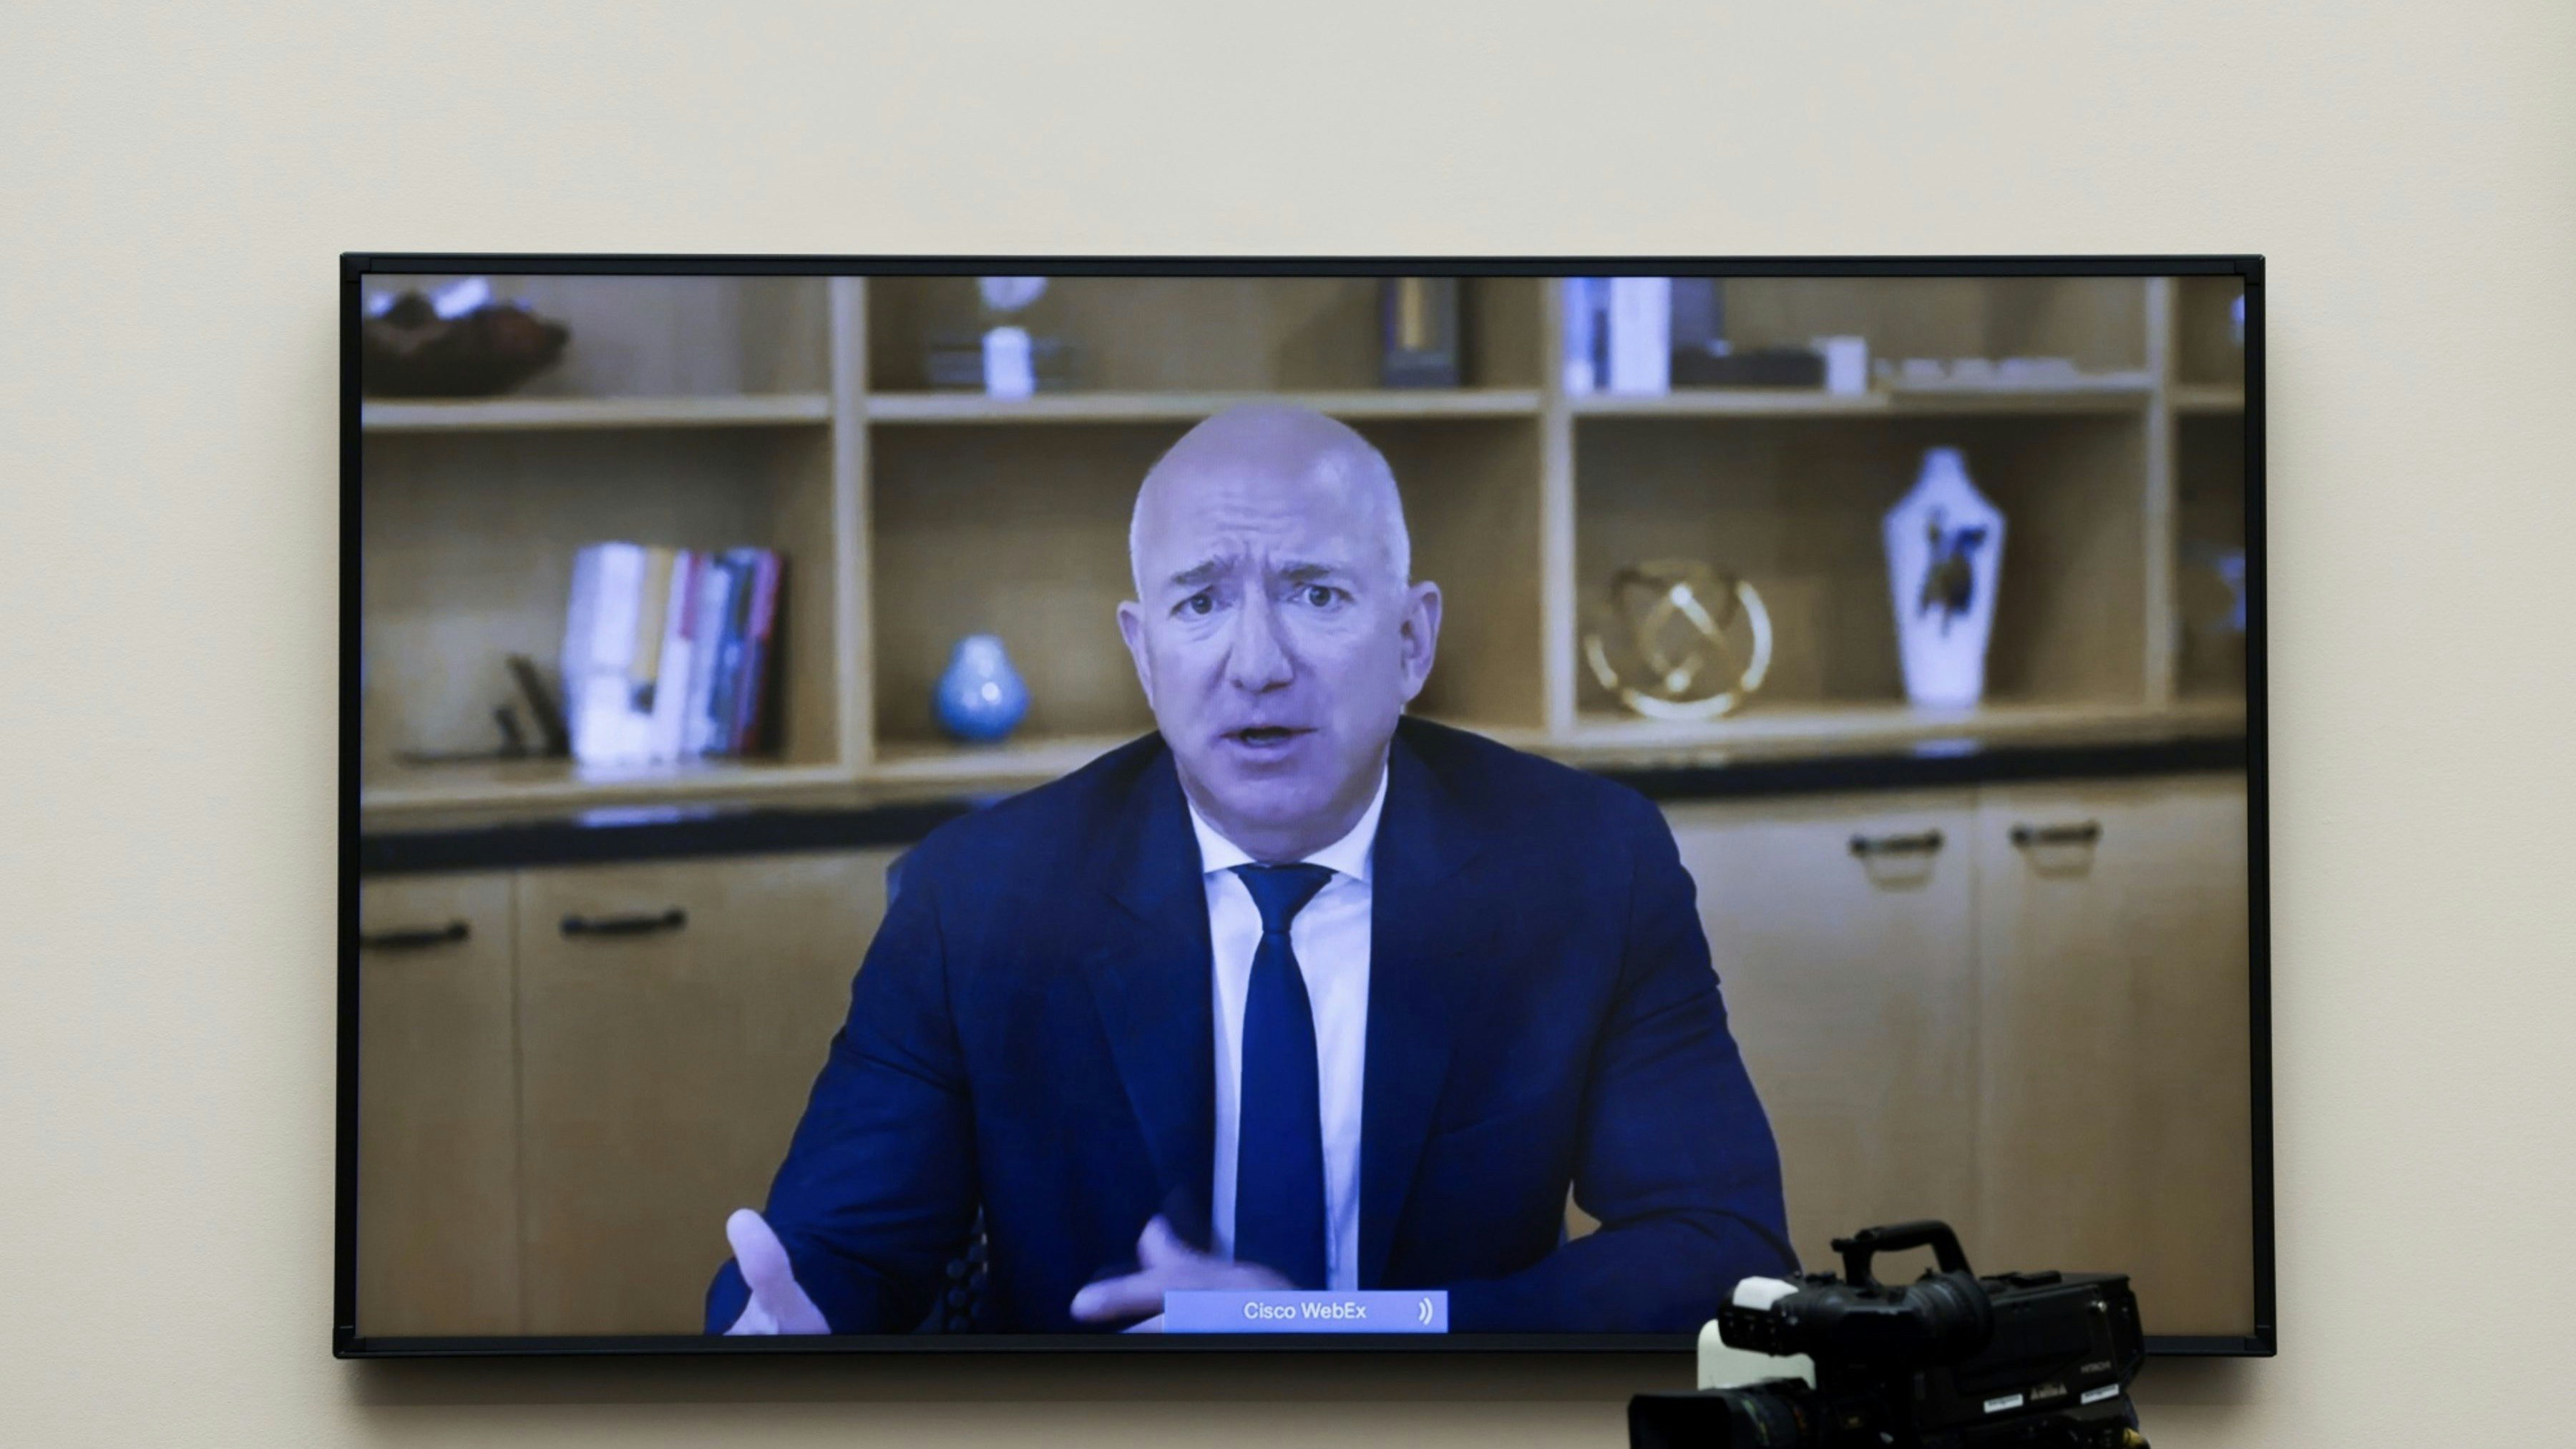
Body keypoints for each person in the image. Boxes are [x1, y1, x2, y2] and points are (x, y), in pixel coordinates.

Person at [708, 404, 1791, 1335]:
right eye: (1201, 603)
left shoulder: (1585, 865)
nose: (1259, 664)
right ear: (1143, 653)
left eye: (1317, 594)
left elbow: (1720, 1249)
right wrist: (784, 1327)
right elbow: (839, 1250)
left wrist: (1351, 1330)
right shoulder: (979, 898)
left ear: (1412, 641)